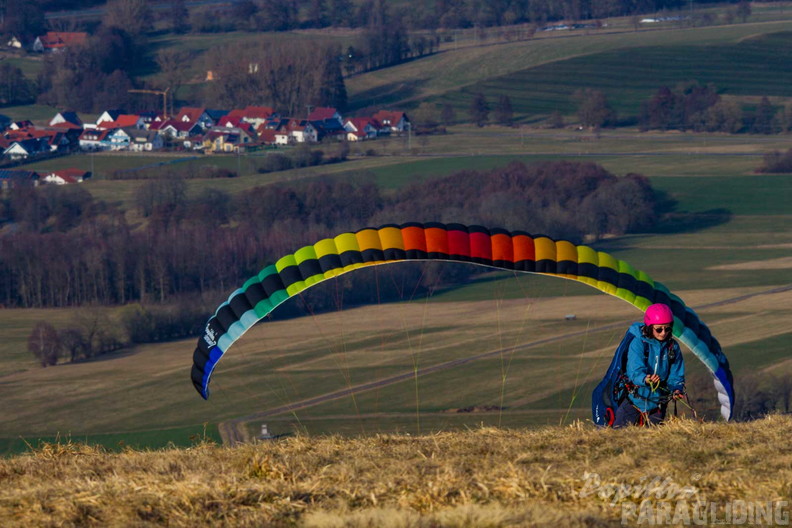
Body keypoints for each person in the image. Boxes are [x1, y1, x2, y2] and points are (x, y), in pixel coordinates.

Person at [613, 303, 686, 427]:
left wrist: (676, 389)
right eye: (659, 329)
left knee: (652, 441)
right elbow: (634, 370)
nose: (663, 333)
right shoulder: (639, 343)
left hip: (657, 404)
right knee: (618, 436)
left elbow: (676, 374)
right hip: (633, 401)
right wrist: (646, 379)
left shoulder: (672, 347)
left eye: (667, 329)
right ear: (649, 327)